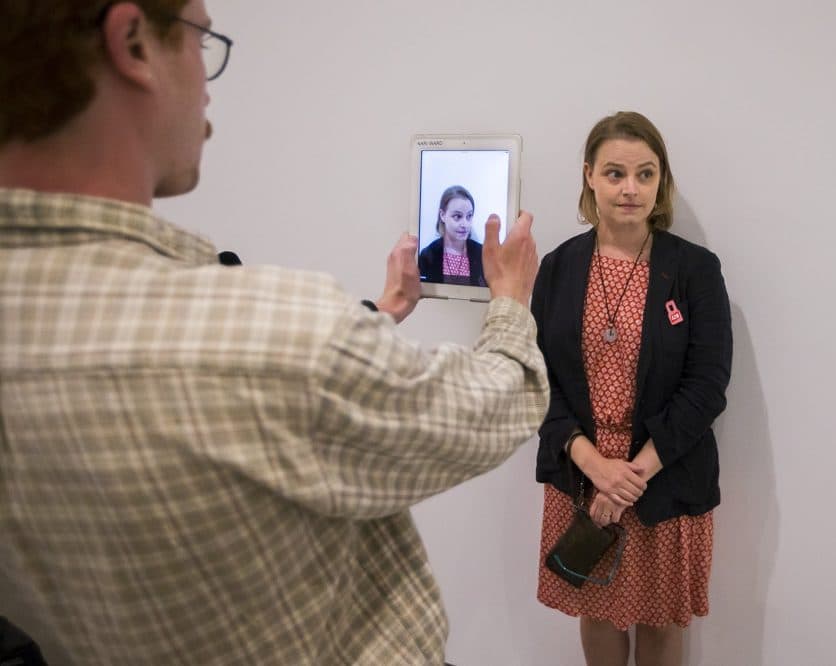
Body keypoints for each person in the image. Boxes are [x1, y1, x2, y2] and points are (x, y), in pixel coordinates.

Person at [0, 2, 548, 664]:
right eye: (202, 40)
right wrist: (512, 299)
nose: (207, 82)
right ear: (134, 43)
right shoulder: (279, 337)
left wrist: (379, 313)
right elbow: (494, 406)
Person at [531, 111, 733, 666]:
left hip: (663, 474)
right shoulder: (558, 267)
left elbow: (708, 387)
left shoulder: (694, 269)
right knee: (597, 612)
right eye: (616, 173)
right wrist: (594, 465)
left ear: (661, 181)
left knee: (661, 620)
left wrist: (630, 476)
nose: (630, 189)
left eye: (646, 174)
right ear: (589, 175)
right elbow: (539, 379)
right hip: (583, 472)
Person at [418, 185, 487, 286]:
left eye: (469, 216)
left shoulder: (482, 253)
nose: (465, 224)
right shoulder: (428, 255)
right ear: (442, 215)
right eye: (457, 216)